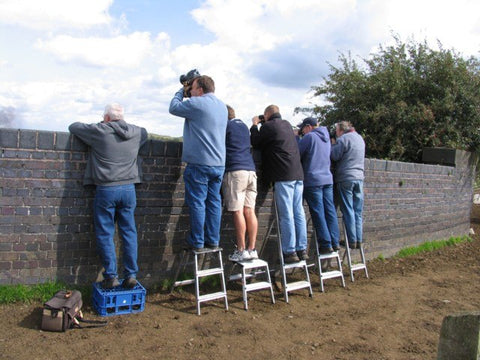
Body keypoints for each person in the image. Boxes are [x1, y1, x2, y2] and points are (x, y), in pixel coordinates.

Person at [69, 103, 148, 289]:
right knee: (129, 232)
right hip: (129, 189)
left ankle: (111, 276)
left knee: (106, 233)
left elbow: (73, 127)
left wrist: (102, 124)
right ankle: (131, 275)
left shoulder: (100, 131)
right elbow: (145, 133)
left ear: (106, 118)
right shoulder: (137, 133)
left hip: (106, 189)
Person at [169, 75, 227, 251]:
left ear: (200, 90)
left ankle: (197, 242)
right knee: (214, 202)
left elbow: (173, 107)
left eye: (193, 89)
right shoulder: (222, 106)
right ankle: (213, 240)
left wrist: (181, 90)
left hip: (200, 163)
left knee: (198, 203)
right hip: (219, 164)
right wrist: (190, 88)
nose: (190, 92)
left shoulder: (197, 103)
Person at [250, 105, 308, 264]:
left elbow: (255, 142)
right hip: (298, 174)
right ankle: (302, 249)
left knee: (286, 213)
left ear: (267, 114)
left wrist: (255, 125)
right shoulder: (287, 125)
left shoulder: (268, 126)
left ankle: (290, 252)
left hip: (284, 175)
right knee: (298, 212)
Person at [297, 117, 340, 254]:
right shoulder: (327, 138)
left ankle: (326, 244)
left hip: (313, 180)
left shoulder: (309, 137)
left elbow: (296, 153)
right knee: (330, 211)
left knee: (318, 212)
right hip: (327, 179)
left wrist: (297, 138)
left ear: (308, 127)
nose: (302, 132)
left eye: (303, 129)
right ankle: (335, 241)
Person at [222, 105, 259, 262]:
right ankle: (252, 249)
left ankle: (241, 250)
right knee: (249, 211)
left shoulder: (226, 126)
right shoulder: (243, 126)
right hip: (251, 170)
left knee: (237, 211)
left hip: (236, 172)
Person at [330, 121, 366, 249]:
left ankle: (351, 240)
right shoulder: (360, 138)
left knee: (348, 210)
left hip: (346, 177)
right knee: (358, 211)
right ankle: (359, 240)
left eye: (336, 130)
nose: (336, 133)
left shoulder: (344, 139)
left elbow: (334, 156)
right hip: (359, 178)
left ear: (341, 130)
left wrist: (333, 145)